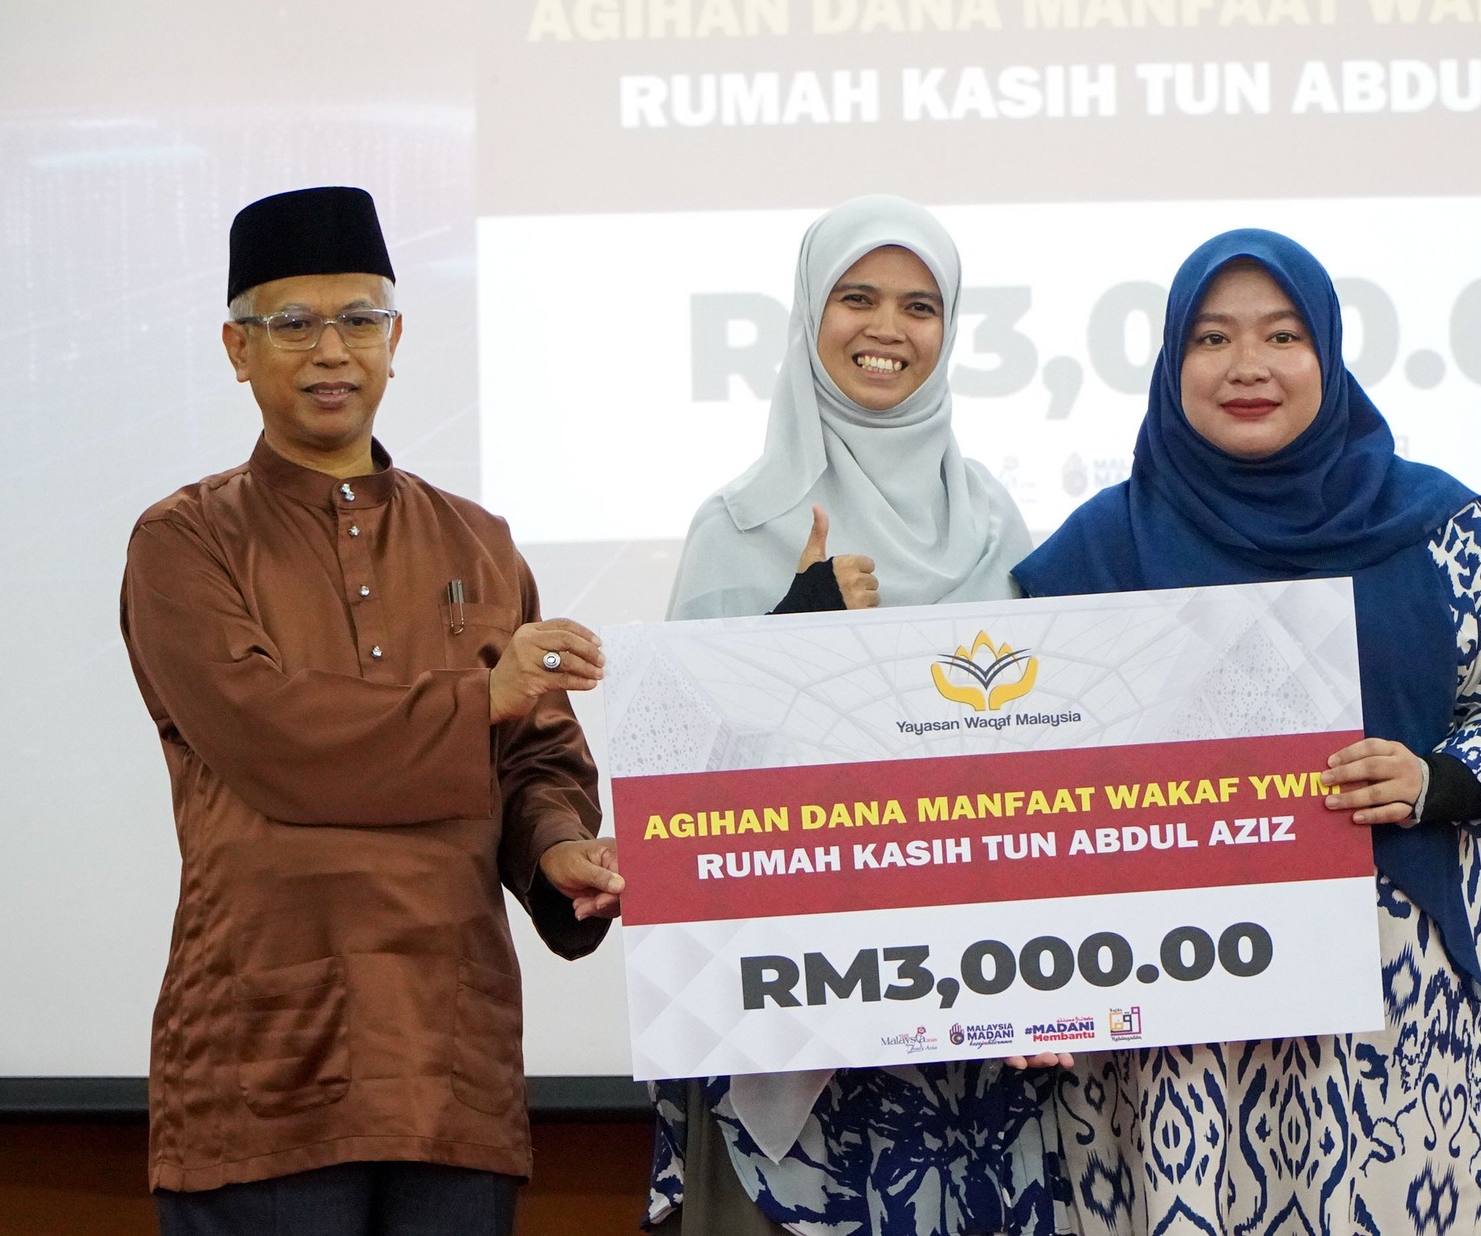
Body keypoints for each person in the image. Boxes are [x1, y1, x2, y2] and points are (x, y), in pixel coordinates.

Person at [1013, 229, 1481, 1236]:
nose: (1247, 366)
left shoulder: (1436, 526)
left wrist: (1433, 777)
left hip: (1388, 1007)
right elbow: (1015, 779)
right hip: (1167, 1010)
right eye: (1211, 338)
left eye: (1281, 335)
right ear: (1171, 360)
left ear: (1327, 351)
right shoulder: (1096, 549)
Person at [119, 186, 625, 1236]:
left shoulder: (478, 540)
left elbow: (533, 759)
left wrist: (558, 850)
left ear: (395, 340)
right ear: (236, 349)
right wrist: (480, 697)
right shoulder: (185, 541)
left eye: (358, 318)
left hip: (449, 1056)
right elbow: (268, 731)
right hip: (267, 1053)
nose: (330, 350)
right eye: (292, 324)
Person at [652, 195, 1067, 1236]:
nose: (888, 328)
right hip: (797, 1023)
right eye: (857, 297)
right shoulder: (740, 524)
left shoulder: (997, 521)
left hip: (972, 1031)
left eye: (920, 305)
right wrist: (795, 625)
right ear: (809, 313)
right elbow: (678, 780)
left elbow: (1044, 757)